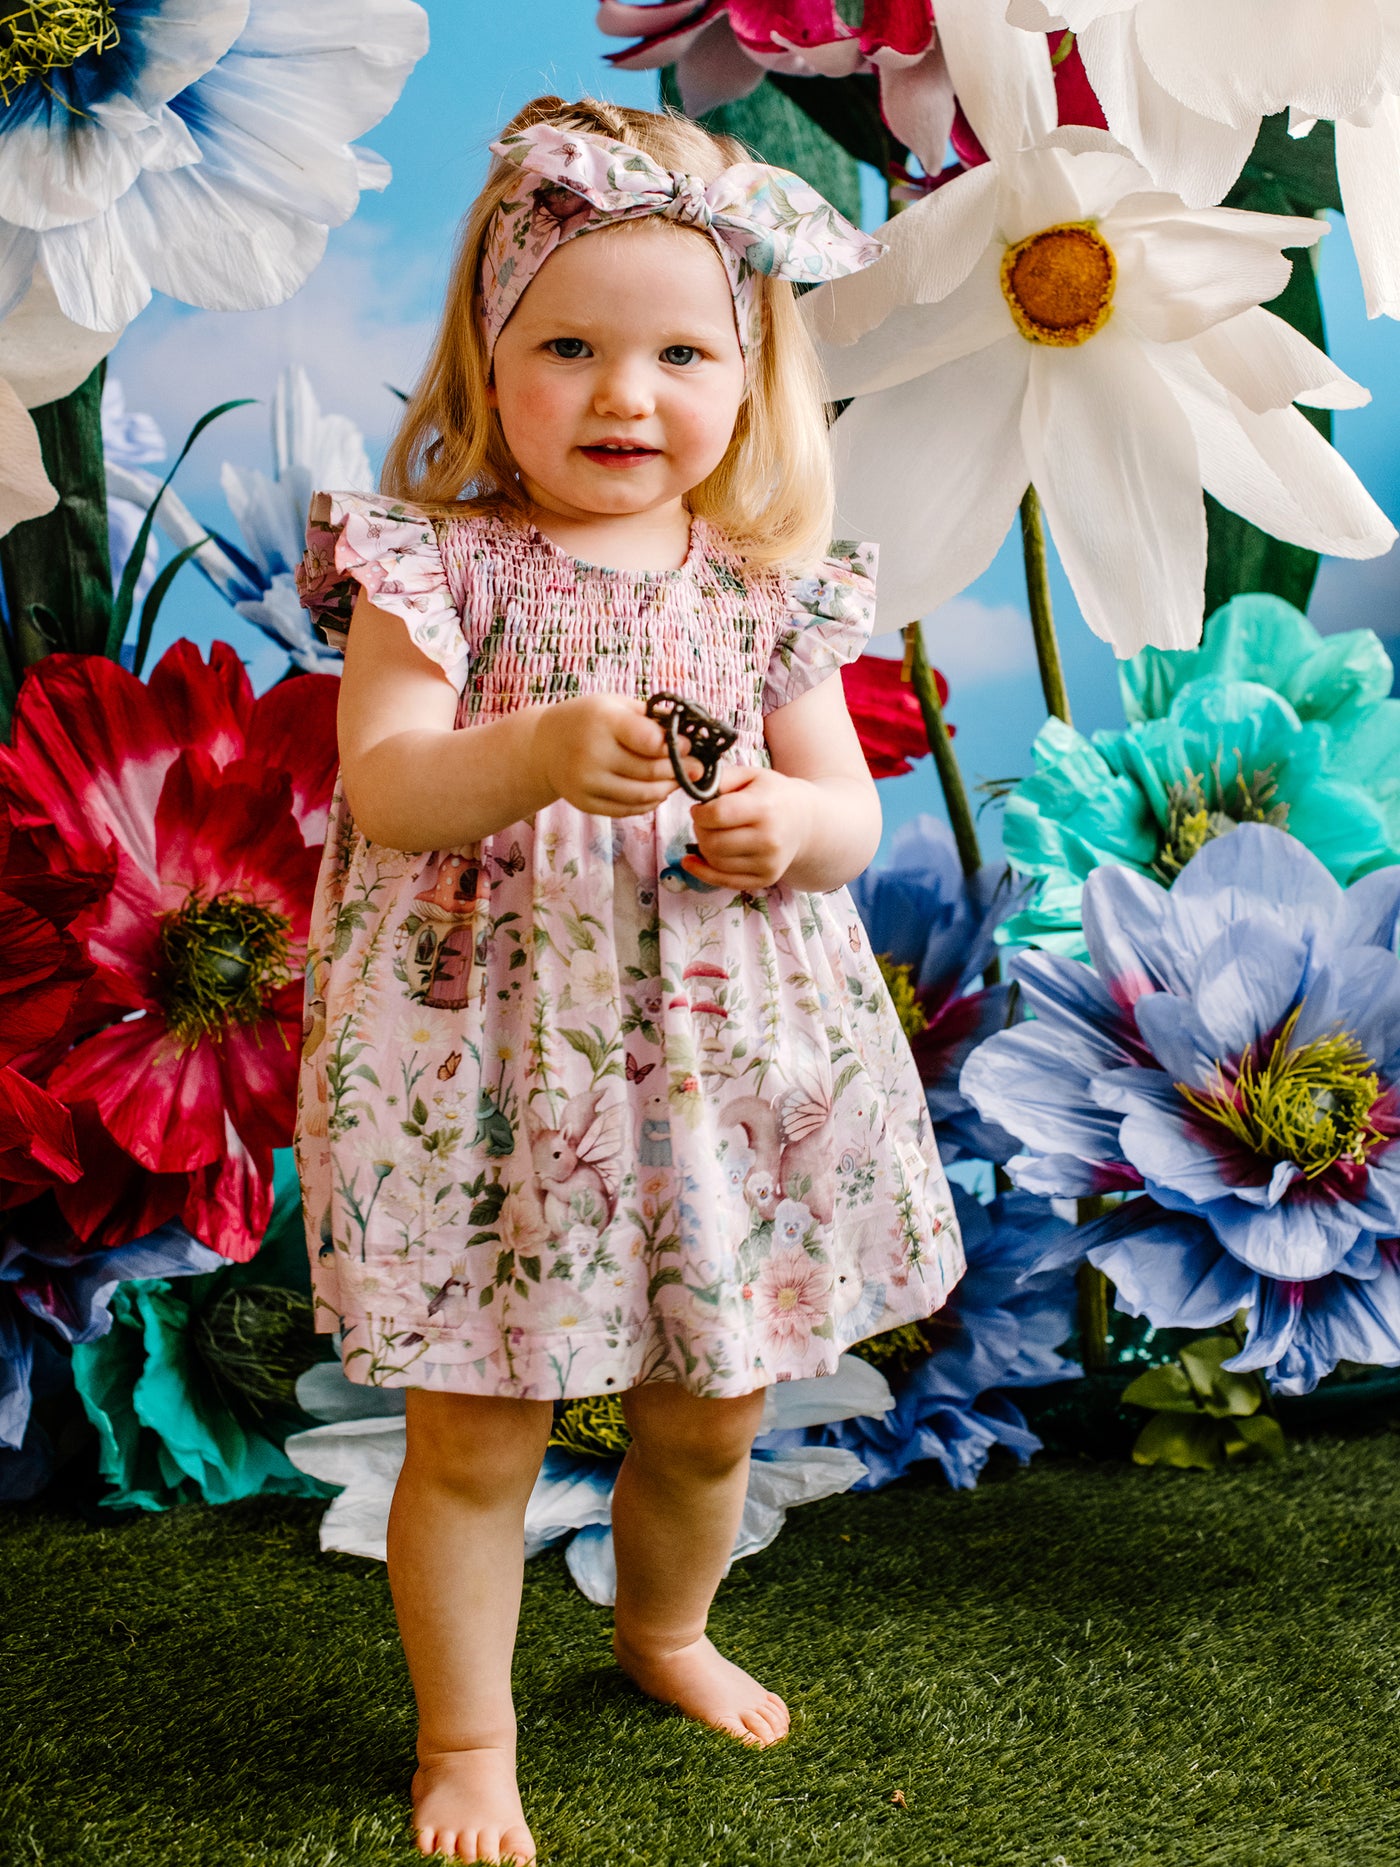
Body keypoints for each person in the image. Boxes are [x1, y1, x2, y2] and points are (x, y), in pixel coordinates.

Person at [294, 93, 965, 1867]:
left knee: (711, 1407)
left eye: (681, 351)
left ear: (747, 376)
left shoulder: (767, 590)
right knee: (481, 1427)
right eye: (570, 346)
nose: (624, 394)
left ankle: (662, 1628)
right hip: (499, 1069)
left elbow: (851, 811)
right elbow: (386, 782)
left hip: (717, 1075)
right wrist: (534, 755)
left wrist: (783, 828)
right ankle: (466, 1739)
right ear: (486, 357)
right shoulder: (432, 566)